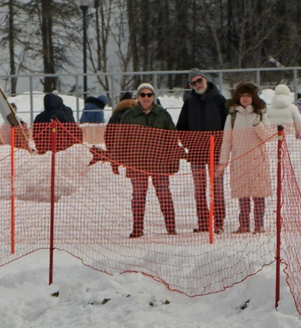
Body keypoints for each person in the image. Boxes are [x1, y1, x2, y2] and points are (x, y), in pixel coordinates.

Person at [106, 81, 179, 237]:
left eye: (149, 94)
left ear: (153, 96)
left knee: (164, 194)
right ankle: (137, 228)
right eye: (143, 94)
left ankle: (171, 227)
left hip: (159, 163)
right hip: (136, 163)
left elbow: (172, 140)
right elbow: (121, 140)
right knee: (138, 196)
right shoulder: (129, 116)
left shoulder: (163, 115)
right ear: (138, 97)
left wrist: (173, 162)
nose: (146, 98)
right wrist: (115, 161)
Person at [174, 72, 229, 233]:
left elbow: (227, 125)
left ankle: (218, 222)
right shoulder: (189, 102)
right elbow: (181, 127)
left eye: (199, 80)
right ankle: (203, 221)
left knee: (217, 188)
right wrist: (189, 144)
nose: (198, 84)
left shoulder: (219, 100)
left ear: (205, 79)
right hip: (196, 152)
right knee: (199, 189)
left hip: (216, 151)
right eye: (193, 83)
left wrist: (223, 145)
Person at [223, 81, 274, 234]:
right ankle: (244, 225)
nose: (245, 98)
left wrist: (257, 125)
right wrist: (222, 162)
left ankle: (259, 225)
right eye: (242, 96)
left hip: (258, 160)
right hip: (239, 160)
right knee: (243, 194)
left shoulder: (260, 115)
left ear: (253, 97)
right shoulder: (232, 117)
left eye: (248, 95)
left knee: (259, 194)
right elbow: (227, 141)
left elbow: (268, 137)